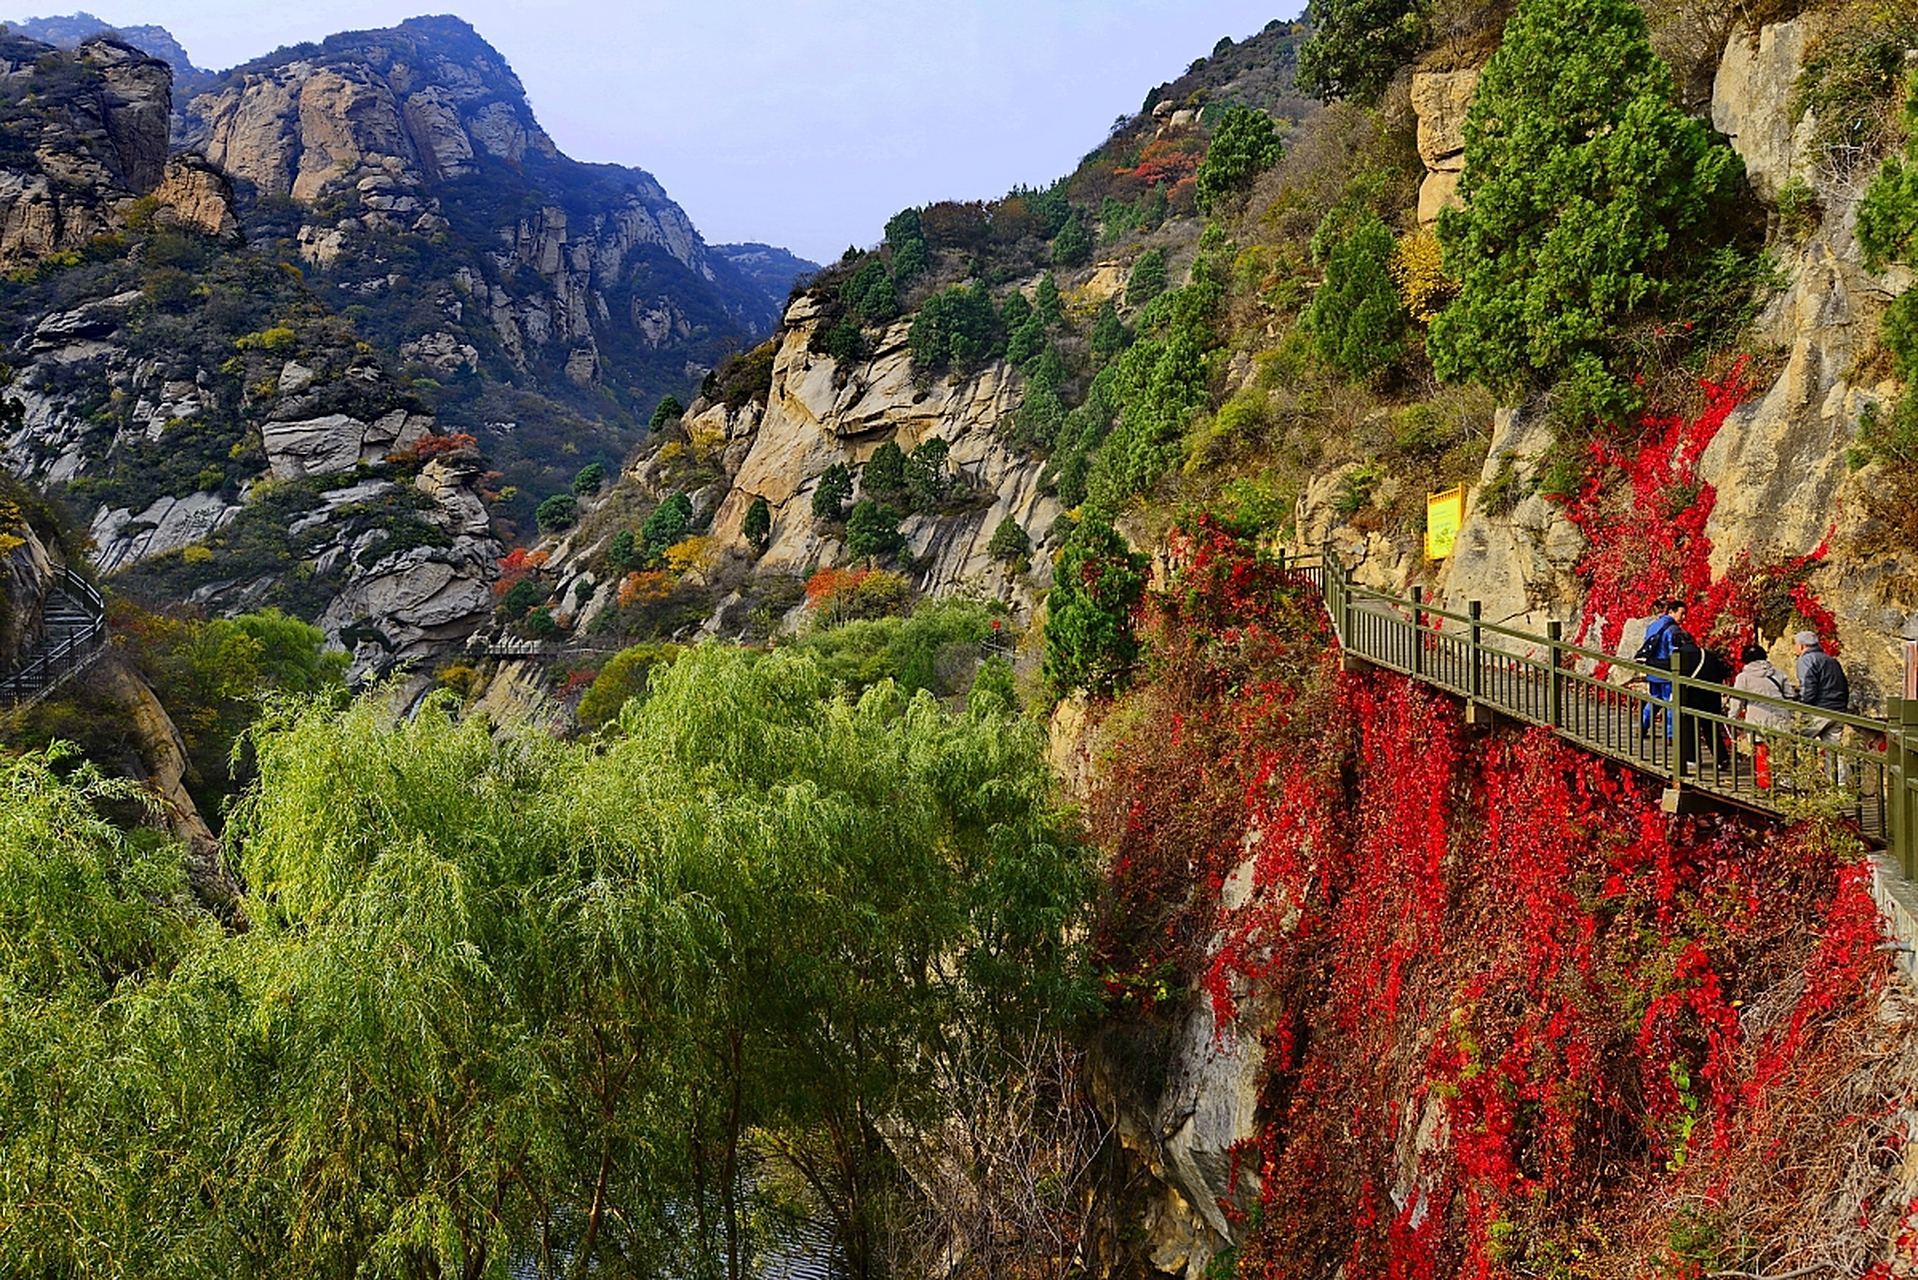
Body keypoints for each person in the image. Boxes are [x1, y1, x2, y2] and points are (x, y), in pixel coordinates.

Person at [1728, 642, 1794, 783]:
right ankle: (1784, 781)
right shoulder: (1778, 673)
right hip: (1780, 715)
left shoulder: (1743, 677)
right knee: (1780, 750)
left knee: (1761, 748)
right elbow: (1789, 694)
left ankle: (1764, 783)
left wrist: (1732, 717)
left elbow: (1737, 700)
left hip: (1757, 717)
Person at [1793, 630, 1851, 785]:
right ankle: (1839, 785)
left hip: (1819, 709)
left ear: (1801, 646)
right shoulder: (1831, 660)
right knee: (1834, 749)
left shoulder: (1806, 660)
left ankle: (1801, 780)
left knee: (1798, 741)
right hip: (1837, 709)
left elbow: (1808, 686)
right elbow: (1844, 685)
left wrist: (1805, 706)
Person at [1671, 623, 1729, 771]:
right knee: (1711, 728)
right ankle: (1722, 758)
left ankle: (1692, 758)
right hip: (1711, 697)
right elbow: (1723, 671)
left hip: (1691, 697)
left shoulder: (1679, 656)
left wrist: (1648, 661)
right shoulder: (1707, 654)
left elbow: (1668, 668)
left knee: (1689, 727)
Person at [1635, 600, 1685, 739]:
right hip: (1666, 672)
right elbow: (1674, 653)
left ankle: (1642, 726)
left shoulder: (1652, 626)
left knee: (1654, 700)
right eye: (1681, 613)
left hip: (1652, 670)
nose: (1683, 617)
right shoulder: (1674, 630)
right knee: (1670, 703)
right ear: (1671, 612)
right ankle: (1671, 735)